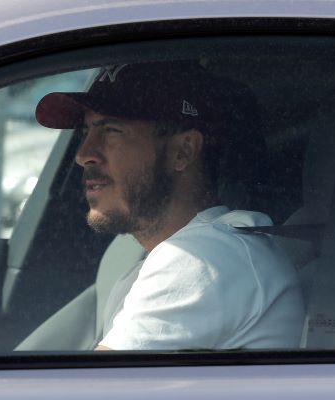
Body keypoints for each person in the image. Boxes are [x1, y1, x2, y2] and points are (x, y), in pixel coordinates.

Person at [35, 61, 305, 350]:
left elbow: (87, 391)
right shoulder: (155, 265)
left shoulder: (204, 258)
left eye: (111, 130)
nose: (84, 155)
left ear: (183, 150)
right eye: (86, 132)